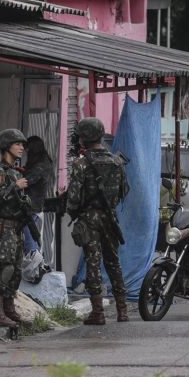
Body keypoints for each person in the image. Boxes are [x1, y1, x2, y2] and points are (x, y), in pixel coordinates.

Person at [66, 117, 130, 325]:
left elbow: (73, 198)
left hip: (89, 218)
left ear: (84, 137)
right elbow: (124, 191)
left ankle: (98, 313)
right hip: (110, 217)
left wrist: (74, 212)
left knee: (93, 262)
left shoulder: (81, 163)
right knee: (113, 262)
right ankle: (123, 311)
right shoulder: (117, 161)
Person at [0, 128, 34, 328]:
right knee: (4, 267)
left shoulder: (15, 172)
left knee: (16, 270)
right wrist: (14, 187)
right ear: (7, 146)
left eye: (22, 144)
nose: (21, 148)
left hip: (16, 227)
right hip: (4, 226)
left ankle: (9, 308)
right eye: (18, 144)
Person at [21, 135, 54, 254]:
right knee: (30, 236)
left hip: (33, 206)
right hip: (34, 205)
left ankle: (34, 265)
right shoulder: (42, 161)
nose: (26, 153)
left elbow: (28, 179)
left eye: (28, 150)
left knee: (30, 238)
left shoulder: (41, 165)